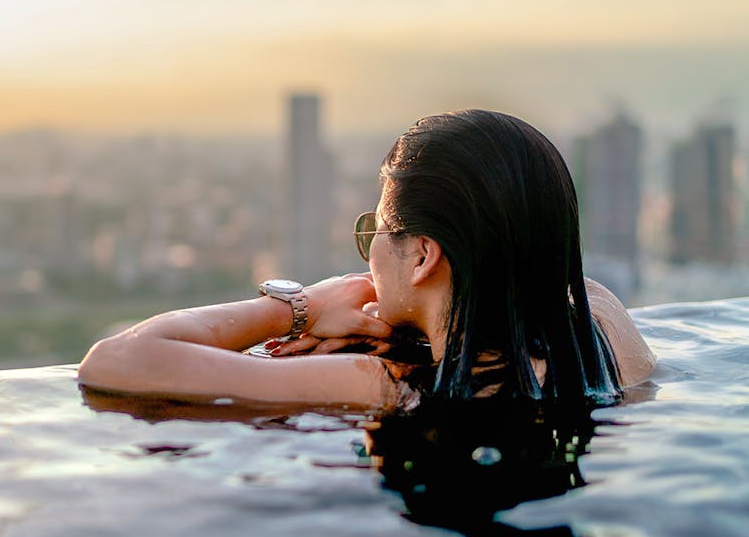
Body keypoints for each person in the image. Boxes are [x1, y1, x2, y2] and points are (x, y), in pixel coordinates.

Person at [78, 109, 654, 410]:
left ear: (424, 255)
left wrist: (300, 308)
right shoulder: (605, 330)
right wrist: (413, 327)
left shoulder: (376, 386)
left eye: (375, 229)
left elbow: (115, 362)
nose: (368, 254)